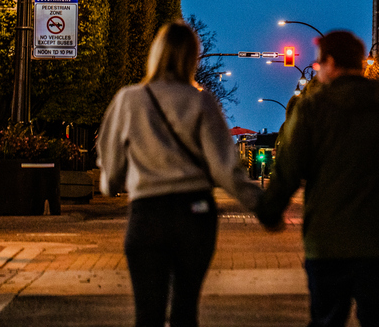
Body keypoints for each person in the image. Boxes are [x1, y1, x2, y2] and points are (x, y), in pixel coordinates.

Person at [97, 21, 262, 327]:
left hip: (148, 212)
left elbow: (111, 164)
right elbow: (225, 168)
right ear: (192, 57)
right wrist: (261, 204)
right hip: (195, 212)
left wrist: (111, 183)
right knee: (186, 309)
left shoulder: (129, 100)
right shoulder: (202, 101)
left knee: (148, 312)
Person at [256, 30, 379, 327]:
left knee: (327, 318)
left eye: (319, 65)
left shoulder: (312, 110)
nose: (317, 71)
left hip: (327, 239)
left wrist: (270, 212)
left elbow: (289, 169)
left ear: (331, 62)